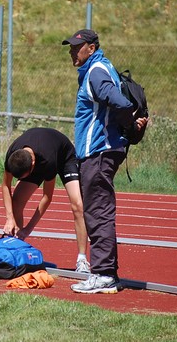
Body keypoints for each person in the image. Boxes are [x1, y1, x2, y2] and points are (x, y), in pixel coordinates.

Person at [62, 29, 148, 294]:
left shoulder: (96, 71)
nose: (72, 52)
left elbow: (117, 101)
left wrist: (131, 122)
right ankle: (105, 273)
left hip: (99, 152)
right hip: (102, 151)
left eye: (77, 47)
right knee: (97, 211)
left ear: (91, 47)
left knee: (98, 212)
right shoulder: (99, 68)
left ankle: (103, 274)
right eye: (71, 47)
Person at [2, 127, 90, 273]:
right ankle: (16, 248)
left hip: (64, 157)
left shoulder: (48, 161)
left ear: (32, 166)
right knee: (16, 201)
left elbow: (47, 197)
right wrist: (9, 218)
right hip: (36, 156)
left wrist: (28, 229)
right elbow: (6, 185)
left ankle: (82, 259)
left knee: (78, 206)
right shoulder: (13, 154)